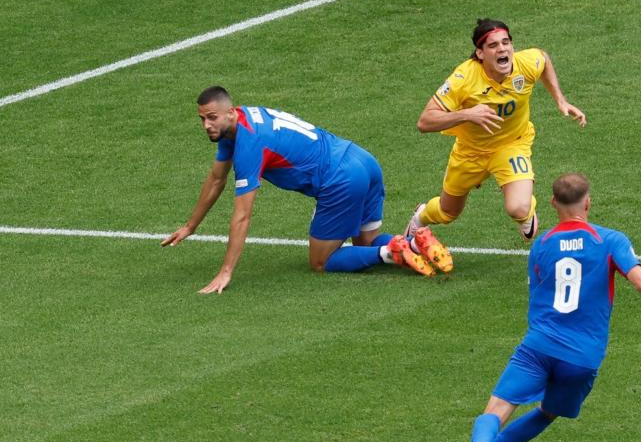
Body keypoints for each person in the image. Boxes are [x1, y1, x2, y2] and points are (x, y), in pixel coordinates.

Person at [448, 173, 641, 442]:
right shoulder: (609, 240)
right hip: (581, 357)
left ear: (553, 203)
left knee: (496, 409)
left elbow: (538, 291)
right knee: (548, 412)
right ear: (588, 202)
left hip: (538, 346)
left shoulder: (541, 244)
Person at [162, 86, 453, 294]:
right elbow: (215, 180)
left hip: (340, 179)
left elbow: (242, 216)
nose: (206, 125)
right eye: (202, 119)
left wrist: (225, 272)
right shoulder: (239, 123)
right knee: (366, 243)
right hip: (363, 160)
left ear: (229, 112)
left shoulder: (250, 144)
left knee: (321, 262)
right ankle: (414, 243)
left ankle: (392, 252)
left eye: (211, 117)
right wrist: (190, 226)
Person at [405, 18, 587, 243]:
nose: (502, 49)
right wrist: (467, 114)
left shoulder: (525, 64)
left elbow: (544, 58)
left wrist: (560, 100)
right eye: (493, 45)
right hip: (470, 151)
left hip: (512, 144)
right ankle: (421, 216)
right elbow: (424, 122)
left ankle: (525, 211)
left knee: (518, 208)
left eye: (506, 42)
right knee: (448, 212)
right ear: (480, 53)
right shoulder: (464, 78)